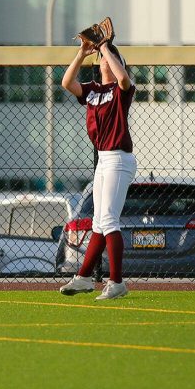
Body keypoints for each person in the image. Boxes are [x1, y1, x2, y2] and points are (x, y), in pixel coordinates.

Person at [59, 17, 137, 300]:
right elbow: (67, 82)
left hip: (119, 159)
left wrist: (106, 46)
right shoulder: (93, 90)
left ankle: (117, 283)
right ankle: (83, 278)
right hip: (104, 160)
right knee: (98, 224)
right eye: (104, 57)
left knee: (108, 221)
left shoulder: (120, 90)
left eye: (111, 58)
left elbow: (124, 78)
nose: (105, 60)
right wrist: (82, 52)